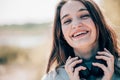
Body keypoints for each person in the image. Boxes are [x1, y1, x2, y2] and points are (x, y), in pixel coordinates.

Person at [42, 0, 120, 80]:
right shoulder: (52, 78)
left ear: (99, 21)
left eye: (84, 16)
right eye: (67, 21)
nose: (76, 25)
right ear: (61, 33)